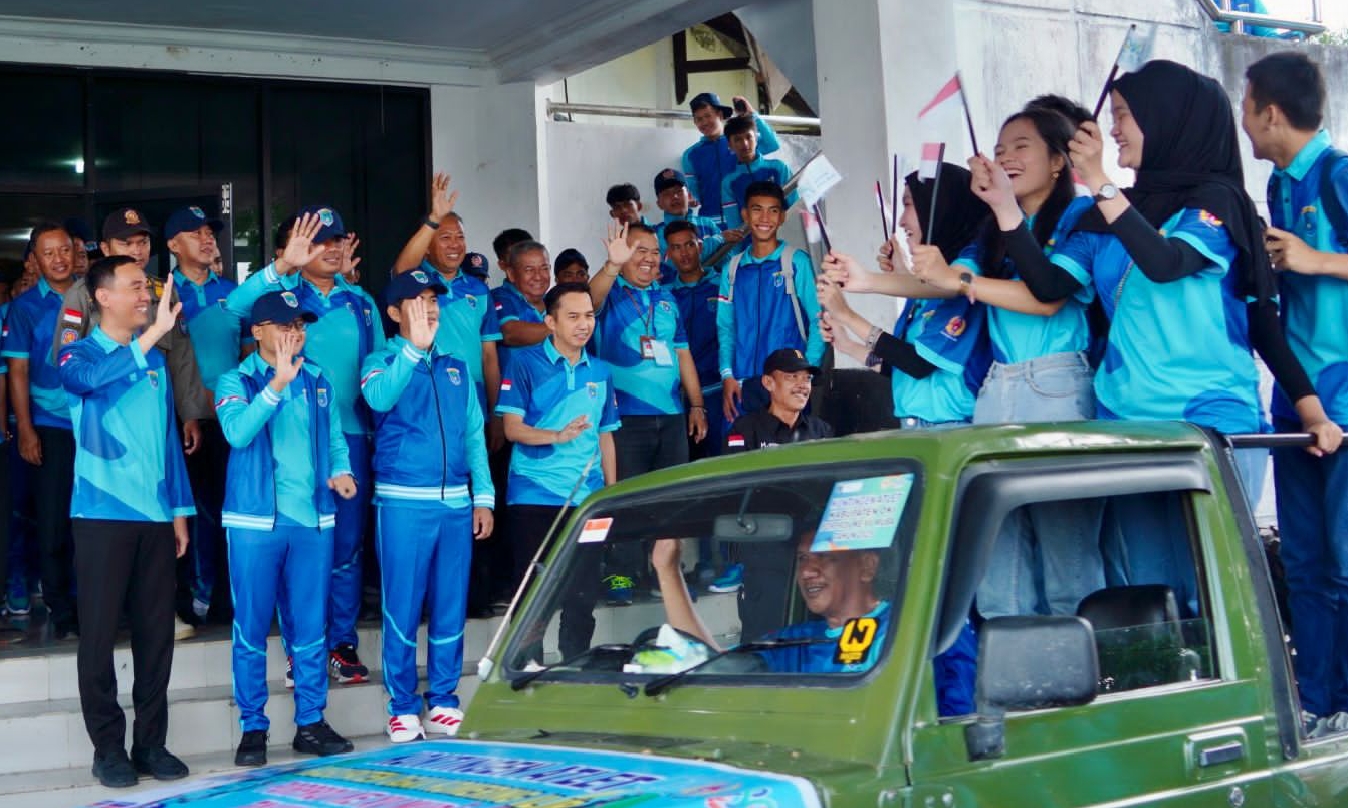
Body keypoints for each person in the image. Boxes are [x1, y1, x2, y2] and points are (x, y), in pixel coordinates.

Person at [1009, 60, 1341, 607]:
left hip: (1207, 422)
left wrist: (1312, 413)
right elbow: (1047, 287)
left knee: (1217, 593)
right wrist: (1003, 208)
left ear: (1166, 119)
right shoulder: (1105, 214)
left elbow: (1171, 265)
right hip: (1125, 422)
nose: (1114, 130)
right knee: (1148, 592)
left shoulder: (1216, 204)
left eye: (1124, 116)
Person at [903, 108, 1106, 618]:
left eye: (1020, 146)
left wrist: (966, 274)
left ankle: (1081, 665)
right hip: (997, 389)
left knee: (1067, 561)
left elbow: (1048, 295)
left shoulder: (1079, 214)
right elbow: (945, 283)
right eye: (999, 150)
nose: (1005, 157)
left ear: (1058, 161)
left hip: (1057, 384)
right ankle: (1013, 665)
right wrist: (863, 282)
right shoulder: (992, 227)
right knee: (999, 563)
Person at [225, 207, 383, 684]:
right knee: (293, 539)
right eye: (319, 242)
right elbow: (234, 308)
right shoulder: (283, 296)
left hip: (347, 435)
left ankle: (340, 643)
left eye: (337, 240)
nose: (331, 249)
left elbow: (376, 365)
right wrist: (283, 266)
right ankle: (300, 647)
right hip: (289, 432)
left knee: (345, 543)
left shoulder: (360, 301)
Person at [58, 255, 195, 788]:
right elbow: (91, 382)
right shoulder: (77, 354)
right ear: (102, 297)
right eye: (136, 287)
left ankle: (150, 744)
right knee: (97, 637)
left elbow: (168, 443)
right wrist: (153, 335)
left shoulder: (155, 361)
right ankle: (108, 749)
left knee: (156, 636)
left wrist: (179, 512)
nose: (146, 296)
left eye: (148, 287)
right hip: (101, 516)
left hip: (155, 517)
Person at [1242, 51, 1348, 722]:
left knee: (1344, 563)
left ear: (1271, 113)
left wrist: (1318, 260)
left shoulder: (1338, 174)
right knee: (1305, 564)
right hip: (1296, 399)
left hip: (1343, 398)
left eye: (1246, 105)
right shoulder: (1280, 184)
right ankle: (1317, 704)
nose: (1243, 119)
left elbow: (1319, 263)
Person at [215, 290, 358, 766]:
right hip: (254, 522)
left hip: (312, 520)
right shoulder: (236, 380)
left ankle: (311, 722)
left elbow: (335, 440)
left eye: (300, 326)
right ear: (258, 331)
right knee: (251, 627)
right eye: (284, 325)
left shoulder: (318, 378)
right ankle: (253, 727)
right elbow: (237, 432)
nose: (294, 334)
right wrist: (276, 383)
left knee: (312, 627)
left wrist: (342, 471)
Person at [361, 270, 494, 742]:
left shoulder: (456, 366)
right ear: (394, 313)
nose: (430, 308)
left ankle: (443, 700)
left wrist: (483, 496)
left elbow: (474, 434)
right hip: (403, 504)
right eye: (417, 301)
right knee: (402, 605)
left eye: (433, 299)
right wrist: (413, 351)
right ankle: (401, 706)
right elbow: (379, 398)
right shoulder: (380, 360)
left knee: (450, 606)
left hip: (456, 504)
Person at [650, 532, 976, 716]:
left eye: (823, 555)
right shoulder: (796, 642)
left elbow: (956, 731)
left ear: (867, 566)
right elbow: (712, 668)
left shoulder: (920, 627)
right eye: (802, 559)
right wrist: (668, 570)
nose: (807, 571)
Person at [496, 283, 620, 658]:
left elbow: (606, 436)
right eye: (573, 316)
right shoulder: (523, 363)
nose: (584, 324)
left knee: (583, 593)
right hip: (534, 494)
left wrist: (611, 494)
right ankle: (527, 669)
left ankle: (574, 665)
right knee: (533, 592)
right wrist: (557, 436)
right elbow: (511, 428)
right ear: (550, 322)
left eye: (589, 316)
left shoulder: (601, 370)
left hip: (588, 500)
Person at [818, 165, 990, 430]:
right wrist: (847, 345)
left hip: (950, 430)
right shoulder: (926, 292)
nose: (901, 221)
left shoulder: (963, 284)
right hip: (917, 428)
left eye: (908, 204)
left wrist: (848, 316)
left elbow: (919, 364)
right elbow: (897, 366)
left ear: (937, 209)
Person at [589, 221, 708, 602]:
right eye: (640, 251)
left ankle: (664, 572)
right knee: (626, 498)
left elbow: (682, 354)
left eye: (655, 252)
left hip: (671, 416)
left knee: (668, 500)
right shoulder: (609, 293)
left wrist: (696, 404)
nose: (650, 259)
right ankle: (621, 573)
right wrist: (611, 265)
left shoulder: (667, 298)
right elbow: (589, 300)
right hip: (625, 417)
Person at [3, 223, 80, 640]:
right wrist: (27, 430)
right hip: (50, 427)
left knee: (92, 521)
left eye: (64, 250)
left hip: (94, 428)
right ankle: (61, 609)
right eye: (48, 253)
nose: (58, 259)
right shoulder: (25, 307)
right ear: (34, 259)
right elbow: (17, 371)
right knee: (52, 523)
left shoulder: (95, 296)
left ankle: (93, 604)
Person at [165, 205, 239, 623]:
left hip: (233, 420)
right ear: (173, 245)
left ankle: (226, 599)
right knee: (191, 513)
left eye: (210, 232)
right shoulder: (160, 294)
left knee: (230, 509)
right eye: (195, 233)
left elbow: (251, 353)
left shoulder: (233, 293)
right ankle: (191, 598)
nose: (207, 239)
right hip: (184, 420)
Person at [391, 173, 503, 422]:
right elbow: (401, 270)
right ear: (427, 247)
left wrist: (496, 414)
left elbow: (489, 356)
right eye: (445, 238)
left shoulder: (479, 289)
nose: (455, 244)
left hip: (475, 398)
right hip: (431, 392)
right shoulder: (417, 282)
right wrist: (433, 220)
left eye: (460, 237)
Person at [717, 181, 823, 429]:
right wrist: (727, 375)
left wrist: (804, 375)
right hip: (743, 385)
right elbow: (726, 328)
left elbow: (819, 321)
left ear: (782, 216)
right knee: (742, 449)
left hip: (786, 385)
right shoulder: (732, 269)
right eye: (757, 209)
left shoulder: (796, 262)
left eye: (773, 210)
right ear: (745, 214)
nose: (765, 218)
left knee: (787, 450)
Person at [664, 221, 724, 456]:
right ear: (668, 254)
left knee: (721, 460)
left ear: (700, 246)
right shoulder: (664, 295)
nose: (684, 253)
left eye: (689, 245)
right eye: (676, 247)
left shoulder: (722, 286)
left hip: (718, 390)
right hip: (677, 397)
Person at [682, 92, 782, 226]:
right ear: (694, 122)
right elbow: (694, 191)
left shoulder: (740, 141)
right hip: (711, 223)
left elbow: (772, 144)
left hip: (743, 219)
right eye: (699, 119)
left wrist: (752, 115)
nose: (704, 122)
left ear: (720, 115)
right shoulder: (690, 155)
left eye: (708, 116)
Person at [719, 115, 796, 229]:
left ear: (756, 139)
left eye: (748, 137)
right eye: (738, 139)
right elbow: (734, 225)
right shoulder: (729, 183)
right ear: (730, 145)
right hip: (753, 238)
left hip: (785, 233)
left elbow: (795, 206)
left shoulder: (779, 168)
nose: (745, 144)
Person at [650, 168, 734, 263]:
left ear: (689, 196)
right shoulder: (656, 235)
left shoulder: (708, 224)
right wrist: (718, 240)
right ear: (659, 204)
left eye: (678, 191)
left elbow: (728, 258)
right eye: (667, 194)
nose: (674, 197)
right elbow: (677, 263)